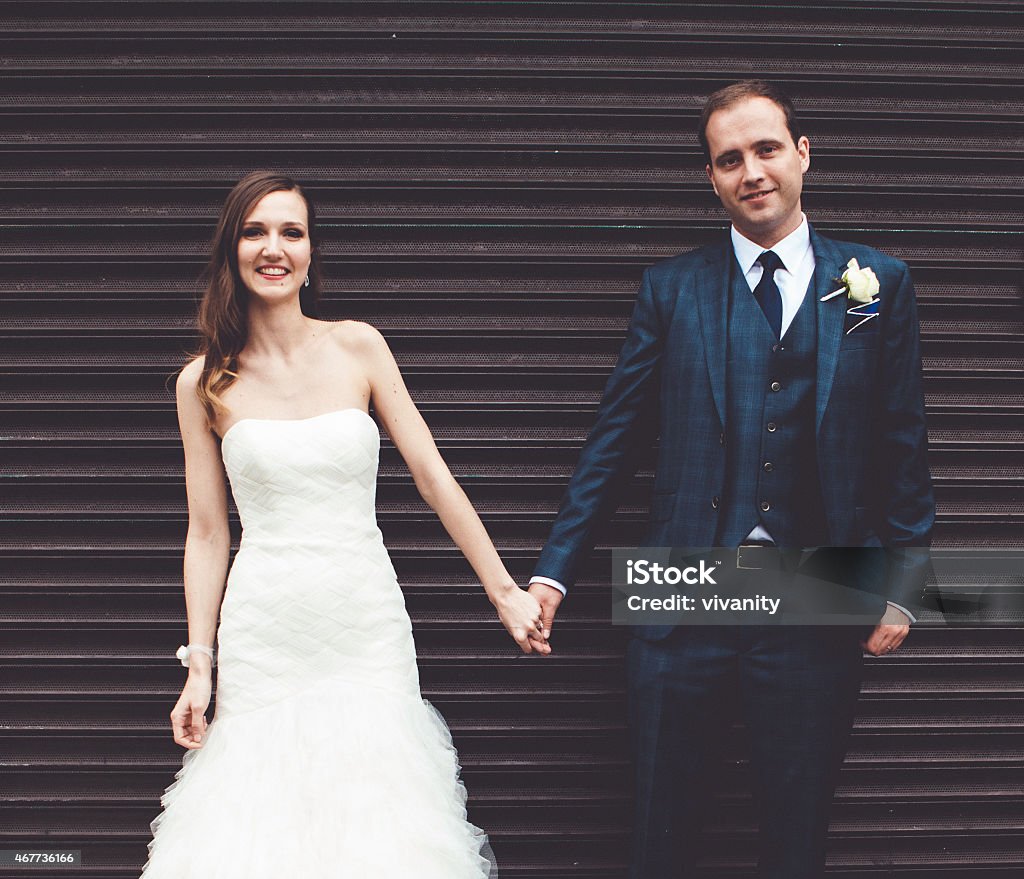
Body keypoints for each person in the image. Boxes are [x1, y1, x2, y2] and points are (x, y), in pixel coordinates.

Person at [527, 81, 934, 878]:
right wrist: (554, 572)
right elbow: (613, 439)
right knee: (661, 834)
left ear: (803, 154)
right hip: (682, 595)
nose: (751, 170)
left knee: (796, 835)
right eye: (729, 159)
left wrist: (906, 579)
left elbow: (901, 442)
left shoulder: (876, 282)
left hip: (818, 596)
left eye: (766, 149)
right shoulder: (670, 288)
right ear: (711, 179)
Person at [141, 171, 547, 878]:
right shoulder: (201, 381)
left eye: (291, 232)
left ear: (310, 252)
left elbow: (434, 478)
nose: (274, 248)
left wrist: (504, 589)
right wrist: (198, 666)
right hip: (266, 629)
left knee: (383, 820)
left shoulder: (359, 346)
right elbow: (207, 533)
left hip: (364, 620)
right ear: (231, 250)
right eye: (255, 231)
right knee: (262, 826)